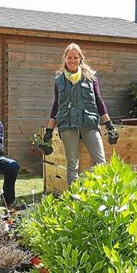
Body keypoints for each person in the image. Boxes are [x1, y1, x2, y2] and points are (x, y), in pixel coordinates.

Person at [44, 43, 117, 185]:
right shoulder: (59, 80)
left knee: (100, 161)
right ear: (65, 58)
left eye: (75, 57)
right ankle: (74, 200)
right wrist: (49, 129)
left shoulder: (91, 77)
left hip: (89, 122)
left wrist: (109, 123)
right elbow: (56, 104)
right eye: (69, 57)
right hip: (67, 124)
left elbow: (98, 100)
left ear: (80, 58)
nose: (72, 60)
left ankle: (100, 195)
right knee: (72, 165)